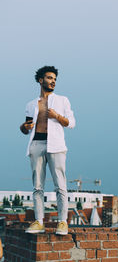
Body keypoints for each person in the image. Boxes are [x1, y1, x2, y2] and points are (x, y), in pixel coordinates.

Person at [20, 66, 75, 235]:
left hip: (56, 145)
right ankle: (39, 221)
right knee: (37, 186)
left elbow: (71, 123)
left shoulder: (62, 100)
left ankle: (63, 222)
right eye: (50, 78)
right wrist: (24, 126)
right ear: (40, 80)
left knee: (60, 185)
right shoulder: (30, 104)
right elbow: (26, 128)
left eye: (55, 79)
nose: (53, 81)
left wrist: (56, 116)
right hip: (37, 144)